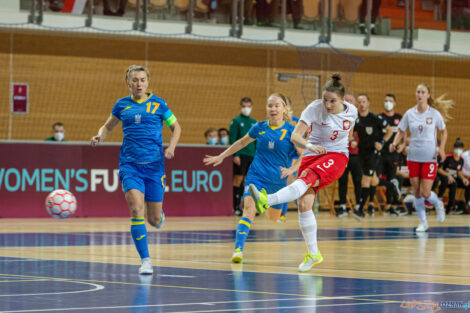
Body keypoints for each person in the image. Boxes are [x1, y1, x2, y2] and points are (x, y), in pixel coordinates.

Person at [249, 74, 358, 272]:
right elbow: (295, 136)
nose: (328, 104)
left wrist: (344, 145)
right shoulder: (314, 108)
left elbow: (348, 133)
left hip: (336, 156)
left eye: (333, 101)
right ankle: (314, 253)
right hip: (312, 153)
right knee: (304, 203)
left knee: (307, 180)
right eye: (325, 99)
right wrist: (310, 146)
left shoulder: (352, 112)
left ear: (342, 100)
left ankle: (268, 200)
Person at [90, 65, 182, 274]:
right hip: (129, 165)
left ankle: (158, 218)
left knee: (154, 219)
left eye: (142, 80)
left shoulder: (159, 104)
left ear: (148, 82)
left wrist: (172, 147)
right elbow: (108, 126)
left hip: (154, 167)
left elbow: (176, 127)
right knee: (136, 208)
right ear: (128, 83)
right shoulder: (121, 105)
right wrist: (100, 136)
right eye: (135, 80)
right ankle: (146, 260)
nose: (138, 83)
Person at [204, 93, 302, 263]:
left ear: (284, 108)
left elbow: (304, 155)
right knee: (248, 210)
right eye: (270, 106)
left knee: (273, 218)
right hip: (256, 176)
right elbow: (241, 143)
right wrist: (222, 155)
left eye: (277, 106)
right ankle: (238, 250)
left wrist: (292, 169)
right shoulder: (259, 127)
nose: (273, 109)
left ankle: (265, 201)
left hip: (277, 181)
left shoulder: (292, 131)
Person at [390, 83, 452, 232]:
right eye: (418, 92)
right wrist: (394, 143)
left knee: (425, 192)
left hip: (429, 157)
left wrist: (442, 148)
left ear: (428, 95)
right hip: (413, 157)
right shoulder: (409, 114)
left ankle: (438, 203)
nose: (420, 94)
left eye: (423, 92)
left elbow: (444, 132)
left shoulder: (434, 114)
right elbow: (401, 130)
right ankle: (423, 222)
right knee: (416, 192)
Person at [352, 94, 393, 219]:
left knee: (365, 179)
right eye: (359, 102)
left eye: (364, 101)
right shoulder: (355, 119)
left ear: (368, 103)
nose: (362, 104)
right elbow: (350, 133)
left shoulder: (375, 118)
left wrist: (382, 143)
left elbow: (390, 130)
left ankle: (360, 208)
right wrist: (352, 140)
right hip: (362, 152)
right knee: (374, 180)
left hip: (374, 153)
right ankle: (392, 186)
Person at [229, 97, 257, 216]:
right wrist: (235, 154)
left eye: (249, 106)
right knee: (238, 180)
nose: (246, 108)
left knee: (249, 181)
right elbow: (232, 139)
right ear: (240, 107)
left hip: (251, 155)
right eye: (244, 106)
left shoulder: (253, 122)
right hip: (241, 155)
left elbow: (256, 140)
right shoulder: (236, 121)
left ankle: (247, 207)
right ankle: (235, 207)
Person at [336, 93, 362, 218]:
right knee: (343, 181)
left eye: (351, 100)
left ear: (355, 103)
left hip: (356, 156)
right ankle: (342, 207)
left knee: (358, 181)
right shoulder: (338, 117)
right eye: (346, 100)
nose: (348, 102)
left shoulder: (359, 118)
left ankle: (358, 206)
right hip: (342, 155)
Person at [379, 94, 405, 215]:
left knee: (392, 177)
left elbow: (404, 133)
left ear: (395, 103)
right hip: (381, 153)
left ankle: (389, 206)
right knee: (375, 178)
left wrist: (403, 145)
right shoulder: (380, 117)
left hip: (394, 155)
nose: (387, 103)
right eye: (385, 101)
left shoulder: (399, 118)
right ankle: (369, 205)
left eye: (390, 101)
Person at [437, 138, 466, 214]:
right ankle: (438, 199)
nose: (458, 150)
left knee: (455, 184)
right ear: (453, 148)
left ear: (463, 149)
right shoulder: (447, 157)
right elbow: (439, 169)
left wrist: (463, 179)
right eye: (456, 148)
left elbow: (459, 172)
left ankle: (450, 208)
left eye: (460, 148)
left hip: (453, 178)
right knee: (446, 180)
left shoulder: (461, 160)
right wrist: (448, 175)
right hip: (442, 176)